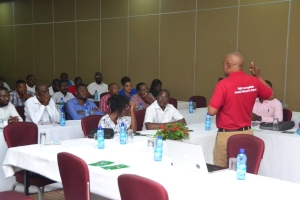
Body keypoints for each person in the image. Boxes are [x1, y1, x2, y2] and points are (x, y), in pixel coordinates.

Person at [208, 52, 274, 168]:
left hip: (227, 136)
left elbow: (211, 111)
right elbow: (271, 95)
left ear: (228, 65)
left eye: (223, 64)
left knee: (220, 171)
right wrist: (258, 75)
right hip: (247, 133)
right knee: (244, 171)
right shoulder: (254, 81)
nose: (223, 66)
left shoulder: (223, 84)